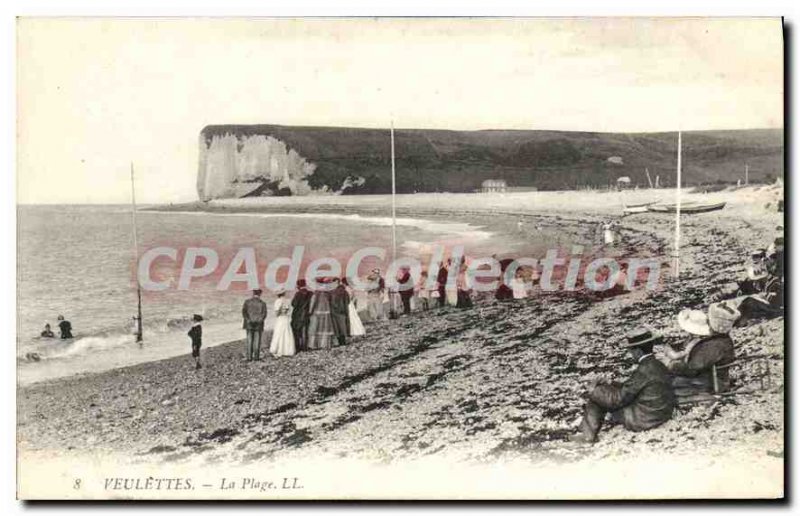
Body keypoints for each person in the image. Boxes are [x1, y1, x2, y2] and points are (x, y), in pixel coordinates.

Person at [569, 329, 676, 444]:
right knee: (602, 392)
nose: (631, 354)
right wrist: (611, 382)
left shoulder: (643, 370)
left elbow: (619, 399)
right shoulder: (658, 365)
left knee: (598, 395)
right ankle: (587, 432)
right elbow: (634, 388)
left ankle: (587, 437)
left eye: (631, 351)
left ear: (638, 352)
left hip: (643, 419)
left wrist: (594, 391)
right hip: (660, 414)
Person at [667, 306, 737, 395]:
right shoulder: (722, 340)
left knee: (667, 382)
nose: (707, 322)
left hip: (710, 383)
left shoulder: (715, 344)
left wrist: (673, 366)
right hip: (711, 377)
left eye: (709, 320)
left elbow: (693, 367)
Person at [307, 279, 335, 350]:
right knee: (325, 328)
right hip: (326, 312)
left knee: (316, 329)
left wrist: (310, 312)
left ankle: (316, 344)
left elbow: (312, 303)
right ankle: (325, 344)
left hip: (317, 313)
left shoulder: (316, 293)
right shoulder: (327, 293)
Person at [242, 289, 268, 361]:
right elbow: (264, 314)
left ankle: (249, 357)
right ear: (260, 294)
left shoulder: (247, 302)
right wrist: (259, 320)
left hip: (249, 323)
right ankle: (256, 357)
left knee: (249, 340)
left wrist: (248, 320)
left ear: (253, 293)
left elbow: (244, 313)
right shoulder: (263, 303)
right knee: (257, 340)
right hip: (258, 324)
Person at [269, 290, 296, 357]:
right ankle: (287, 350)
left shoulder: (277, 301)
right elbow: (289, 311)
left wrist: (279, 313)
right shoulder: (287, 301)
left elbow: (277, 313)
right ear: (284, 293)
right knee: (287, 333)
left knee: (279, 333)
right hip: (286, 318)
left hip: (280, 318)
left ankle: (278, 349)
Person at [290, 280, 312, 352]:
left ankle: (298, 347)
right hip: (307, 314)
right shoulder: (310, 293)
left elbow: (293, 304)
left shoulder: (298, 294)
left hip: (298, 315)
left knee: (296, 331)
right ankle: (305, 347)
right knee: (305, 331)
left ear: (298, 286)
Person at [330, 278, 351, 346]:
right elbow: (348, 301)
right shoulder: (344, 291)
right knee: (343, 326)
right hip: (343, 311)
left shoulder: (332, 292)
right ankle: (343, 341)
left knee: (337, 327)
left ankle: (340, 342)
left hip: (335, 312)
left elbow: (331, 302)